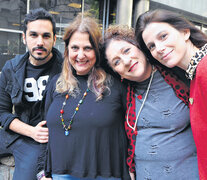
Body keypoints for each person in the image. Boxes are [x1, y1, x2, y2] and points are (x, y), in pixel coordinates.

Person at [38, 14, 130, 180]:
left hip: (105, 174)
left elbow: (132, 133)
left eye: (87, 48)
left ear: (97, 50)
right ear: (67, 50)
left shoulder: (116, 86)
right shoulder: (55, 85)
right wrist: (44, 173)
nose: (80, 55)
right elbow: (47, 133)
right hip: (60, 174)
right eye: (75, 48)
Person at [101, 24, 199, 180]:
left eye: (127, 51)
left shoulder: (179, 75)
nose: (126, 61)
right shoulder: (120, 94)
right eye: (116, 62)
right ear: (116, 72)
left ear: (141, 48)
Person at [135, 9, 207, 179]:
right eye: (151, 46)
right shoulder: (194, 76)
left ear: (185, 32)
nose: (159, 48)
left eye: (163, 36)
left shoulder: (204, 69)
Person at [0, 8, 63, 180]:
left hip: (41, 142)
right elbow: (2, 112)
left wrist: (38, 134)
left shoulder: (66, 70)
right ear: (24, 38)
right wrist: (30, 131)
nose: (40, 42)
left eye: (46, 36)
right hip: (19, 132)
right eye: (33, 35)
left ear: (54, 39)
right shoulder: (11, 68)